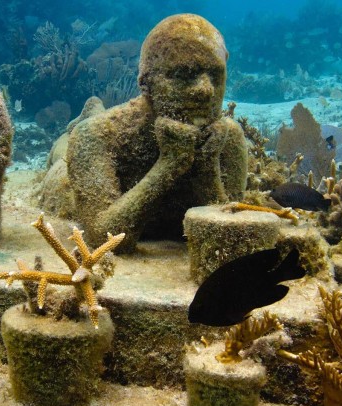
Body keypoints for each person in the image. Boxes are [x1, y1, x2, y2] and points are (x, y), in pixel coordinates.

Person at [66, 14, 248, 253]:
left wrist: (207, 167)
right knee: (63, 150)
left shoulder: (228, 138)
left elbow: (231, 240)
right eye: (184, 75)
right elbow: (104, 238)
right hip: (66, 170)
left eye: (215, 75)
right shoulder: (96, 136)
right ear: (146, 84)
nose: (206, 90)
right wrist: (169, 165)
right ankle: (92, 108)